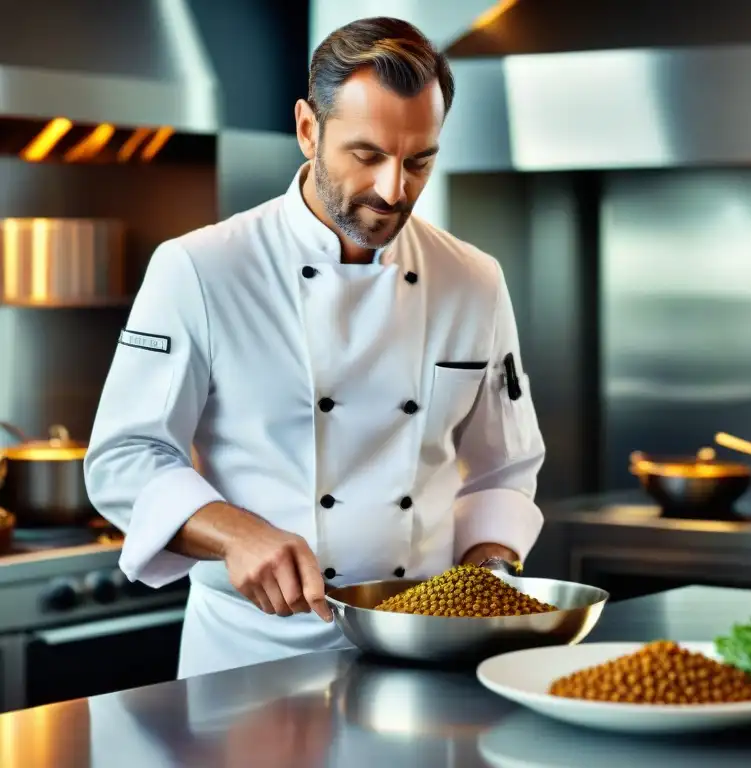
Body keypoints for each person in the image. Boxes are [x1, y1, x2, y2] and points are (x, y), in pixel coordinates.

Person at [84, 16, 545, 678]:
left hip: (425, 652)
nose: (395, 190)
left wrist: (488, 570)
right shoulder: (201, 268)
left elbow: (503, 466)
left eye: (419, 161)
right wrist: (234, 531)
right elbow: (124, 458)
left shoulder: (473, 279)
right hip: (250, 656)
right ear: (308, 129)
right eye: (367, 155)